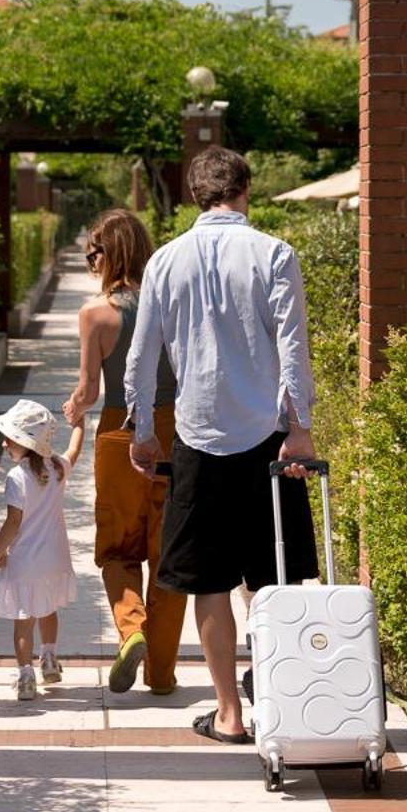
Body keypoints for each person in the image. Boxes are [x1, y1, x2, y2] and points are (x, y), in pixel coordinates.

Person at [125, 147, 318, 744]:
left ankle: (229, 714)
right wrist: (301, 426)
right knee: (272, 575)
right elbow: (293, 348)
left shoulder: (164, 261)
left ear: (194, 196)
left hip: (196, 438)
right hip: (266, 437)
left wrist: (141, 429)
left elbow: (142, 354)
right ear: (245, 191)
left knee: (208, 582)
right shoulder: (274, 254)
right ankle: (280, 701)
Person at [62, 209, 187, 696]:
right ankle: (162, 674)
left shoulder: (96, 314)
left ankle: (130, 629)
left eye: (93, 253)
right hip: (173, 429)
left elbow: (89, 391)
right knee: (167, 552)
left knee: (117, 546)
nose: (91, 263)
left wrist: (72, 409)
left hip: (119, 431)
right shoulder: (172, 305)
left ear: (109, 255)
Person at [0, 399, 84, 700]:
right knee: (49, 608)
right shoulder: (56, 468)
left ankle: (26, 676)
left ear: (26, 444)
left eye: (9, 439)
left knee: (24, 621)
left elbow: (14, 523)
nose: (3, 444)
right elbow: (74, 451)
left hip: (26, 561)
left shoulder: (17, 477)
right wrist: (79, 423)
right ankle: (50, 657)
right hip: (55, 558)